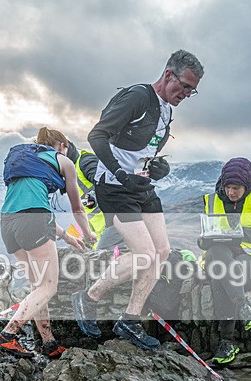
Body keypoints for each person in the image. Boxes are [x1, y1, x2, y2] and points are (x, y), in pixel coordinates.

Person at [72, 50, 204, 349]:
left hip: (141, 186)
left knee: (162, 251)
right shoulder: (138, 97)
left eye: (192, 91)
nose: (186, 94)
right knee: (144, 253)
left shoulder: (166, 109)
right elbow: (96, 136)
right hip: (115, 187)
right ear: (168, 75)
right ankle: (89, 297)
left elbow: (145, 152)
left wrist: (159, 167)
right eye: (184, 86)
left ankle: (130, 319)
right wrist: (119, 172)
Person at [0, 128, 96, 358]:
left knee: (38, 287)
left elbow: (27, 206)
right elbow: (77, 208)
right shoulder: (64, 161)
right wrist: (88, 233)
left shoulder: (25, 159)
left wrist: (66, 237)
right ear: (62, 145)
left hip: (7, 222)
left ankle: (49, 343)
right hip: (35, 221)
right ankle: (7, 335)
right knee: (48, 287)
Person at [200, 157, 251, 367]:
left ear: (247, 184)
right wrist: (204, 240)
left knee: (222, 273)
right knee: (217, 253)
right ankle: (242, 308)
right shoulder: (211, 199)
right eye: (227, 187)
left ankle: (227, 342)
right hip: (220, 258)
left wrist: (241, 234)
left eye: (236, 188)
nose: (231, 192)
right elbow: (203, 237)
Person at [66, 142, 105, 246]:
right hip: (96, 233)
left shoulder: (85, 161)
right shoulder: (68, 172)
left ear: (61, 146)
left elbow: (105, 183)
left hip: (110, 226)